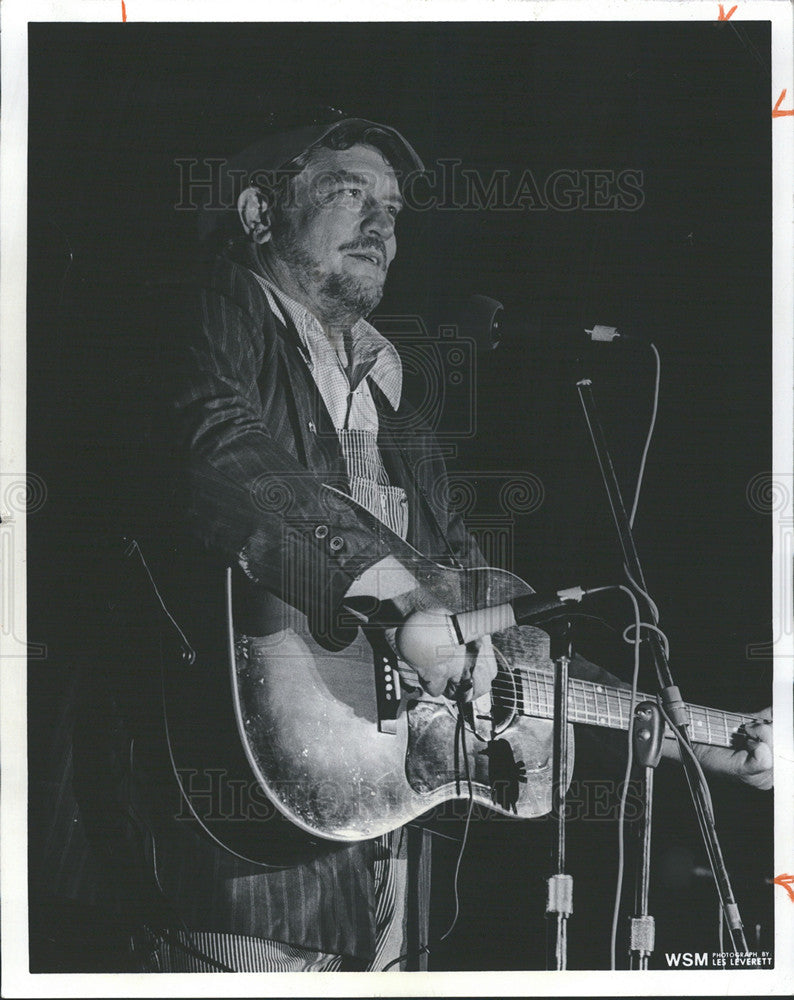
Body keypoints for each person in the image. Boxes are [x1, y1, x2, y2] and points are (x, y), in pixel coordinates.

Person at [75, 110, 773, 974]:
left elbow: (492, 627)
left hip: (379, 849)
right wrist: (400, 596)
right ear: (259, 214)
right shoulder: (207, 307)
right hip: (227, 855)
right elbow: (218, 448)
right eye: (345, 192)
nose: (380, 224)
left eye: (394, 210)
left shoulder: (396, 410)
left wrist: (704, 738)